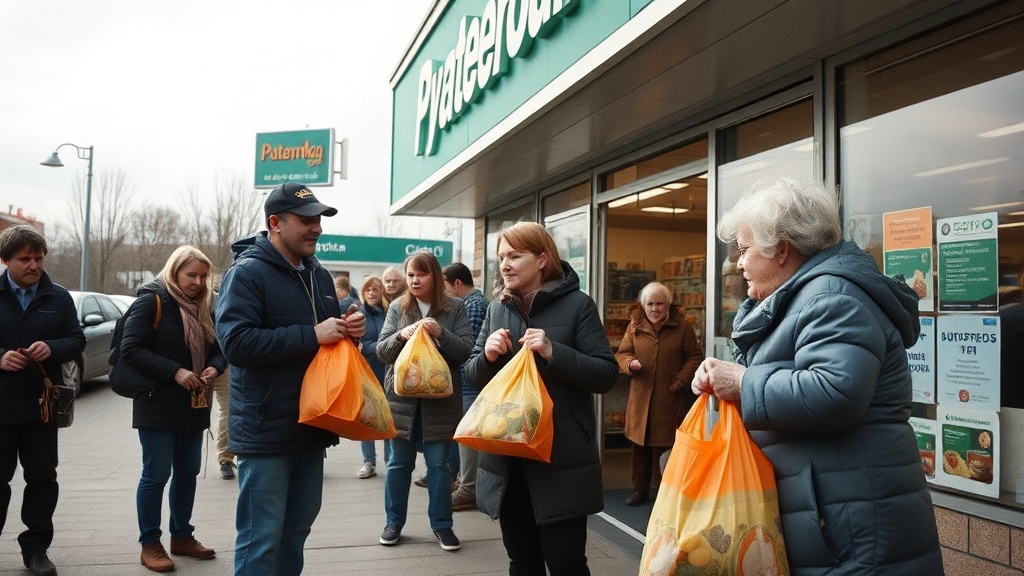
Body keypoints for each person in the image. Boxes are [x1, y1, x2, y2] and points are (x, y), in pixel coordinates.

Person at [690, 178, 943, 575]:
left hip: (851, 535)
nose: (737, 263)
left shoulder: (831, 297)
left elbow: (835, 392)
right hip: (836, 521)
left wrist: (742, 382)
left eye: (744, 250)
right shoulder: (803, 296)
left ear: (781, 250)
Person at [214, 182, 365, 576]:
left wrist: (350, 334)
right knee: (261, 538)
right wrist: (312, 334)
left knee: (295, 532)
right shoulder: (246, 274)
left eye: (319, 219)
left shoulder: (319, 275)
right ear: (275, 223)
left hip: (312, 426)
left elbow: (325, 343)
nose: (317, 227)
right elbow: (236, 344)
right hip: (265, 431)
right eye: (306, 220)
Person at [464, 221, 618, 575]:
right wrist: (487, 356)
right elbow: (471, 374)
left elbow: (606, 374)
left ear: (542, 259)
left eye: (515, 256)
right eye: (502, 257)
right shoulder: (497, 308)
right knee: (522, 563)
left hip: (560, 459)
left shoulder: (579, 306)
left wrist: (553, 351)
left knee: (566, 564)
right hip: (508, 460)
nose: (505, 265)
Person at [122, 245, 226, 572]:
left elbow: (220, 347)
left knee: (187, 472)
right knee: (156, 474)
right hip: (157, 402)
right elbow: (131, 349)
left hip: (194, 403)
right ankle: (150, 544)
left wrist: (215, 367)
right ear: (174, 271)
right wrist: (175, 371)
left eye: (203, 276)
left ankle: (182, 536)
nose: (198, 282)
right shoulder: (152, 301)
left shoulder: (206, 304)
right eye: (191, 275)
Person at [0, 225, 85, 576]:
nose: (33, 265)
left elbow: (77, 340)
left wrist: (52, 348)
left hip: (41, 407)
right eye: (25, 259)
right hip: (1, 408)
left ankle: (36, 549)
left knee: (42, 479)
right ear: (5, 260)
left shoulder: (58, 298)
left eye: (38, 258)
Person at [375, 251, 473, 551]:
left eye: (421, 274)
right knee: (397, 465)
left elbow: (465, 350)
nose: (414, 280)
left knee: (439, 467)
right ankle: (393, 523)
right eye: (411, 275)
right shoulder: (398, 307)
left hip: (440, 404)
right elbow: (382, 351)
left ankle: (442, 526)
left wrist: (441, 332)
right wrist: (401, 336)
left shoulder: (455, 307)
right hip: (401, 402)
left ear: (434, 276)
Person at [614, 281, 702, 507]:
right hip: (640, 397)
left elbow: (694, 357)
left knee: (665, 447)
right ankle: (639, 490)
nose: (655, 309)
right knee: (639, 446)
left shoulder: (682, 328)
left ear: (668, 304)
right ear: (643, 305)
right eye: (650, 304)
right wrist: (629, 364)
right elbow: (622, 352)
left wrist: (679, 382)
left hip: (668, 397)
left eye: (659, 304)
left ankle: (665, 493)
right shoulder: (634, 326)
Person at [442, 262, 488, 512]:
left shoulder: (473, 305)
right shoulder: (472, 303)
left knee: (467, 437)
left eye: (445, 286)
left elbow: (466, 347)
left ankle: (469, 488)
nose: (444, 293)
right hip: (468, 381)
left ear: (457, 283)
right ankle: (466, 483)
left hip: (470, 383)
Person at [355, 275, 391, 479]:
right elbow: (358, 345)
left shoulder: (390, 312)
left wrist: (372, 347)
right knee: (366, 417)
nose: (370, 293)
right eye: (367, 290)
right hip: (366, 371)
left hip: (388, 371)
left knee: (388, 416)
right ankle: (368, 461)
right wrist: (383, 347)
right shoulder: (359, 314)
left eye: (374, 289)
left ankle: (390, 461)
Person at [211, 368, 235, 480]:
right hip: (193, 365)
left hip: (223, 364)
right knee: (194, 411)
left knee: (229, 409)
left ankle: (225, 458)